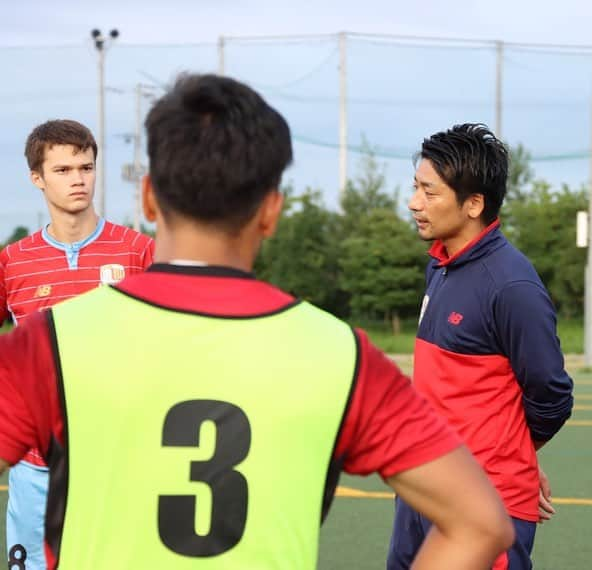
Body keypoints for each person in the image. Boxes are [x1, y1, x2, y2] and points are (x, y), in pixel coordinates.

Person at [0, 74, 515, 569]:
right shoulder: (340, 353)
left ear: (149, 198)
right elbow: (481, 523)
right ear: (271, 211)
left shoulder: (48, 341)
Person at [389, 123, 574, 570]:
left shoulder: (512, 285)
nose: (415, 203)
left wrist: (513, 453)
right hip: (423, 489)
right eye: (416, 187)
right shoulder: (441, 265)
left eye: (430, 193)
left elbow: (552, 394)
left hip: (484, 506)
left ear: (474, 204)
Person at [0, 119, 154, 569]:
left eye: (85, 168)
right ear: (37, 178)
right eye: (64, 170)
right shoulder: (12, 263)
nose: (78, 180)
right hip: (36, 469)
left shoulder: (139, 253)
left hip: (119, 465)